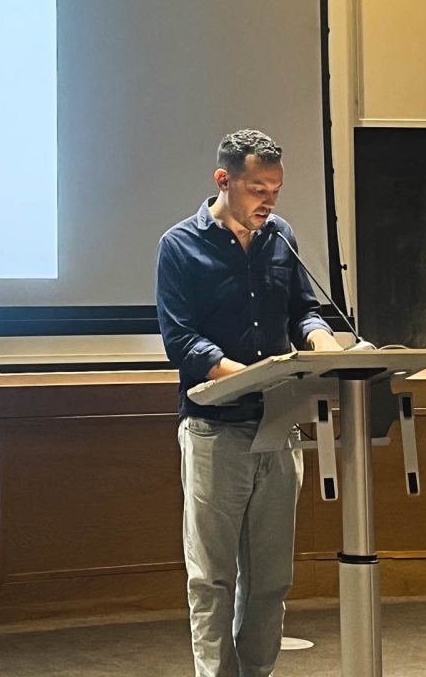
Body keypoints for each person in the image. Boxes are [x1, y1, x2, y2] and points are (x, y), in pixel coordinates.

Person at [156, 128, 343, 677]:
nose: (269, 201)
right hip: (214, 428)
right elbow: (182, 341)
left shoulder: (280, 237)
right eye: (258, 188)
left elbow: (303, 311)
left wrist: (323, 343)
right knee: (212, 578)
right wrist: (251, 375)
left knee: (271, 579)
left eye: (276, 190)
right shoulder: (179, 245)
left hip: (280, 426)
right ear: (224, 180)